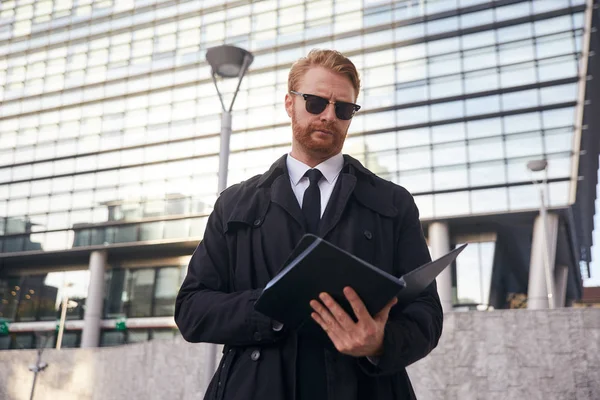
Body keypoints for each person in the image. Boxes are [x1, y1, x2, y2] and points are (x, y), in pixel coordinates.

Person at [175, 49, 443, 400]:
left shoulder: (394, 202)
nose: (329, 116)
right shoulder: (235, 203)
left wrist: (380, 342)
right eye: (316, 103)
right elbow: (192, 309)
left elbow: (426, 313)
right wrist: (272, 310)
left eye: (344, 109)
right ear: (290, 104)